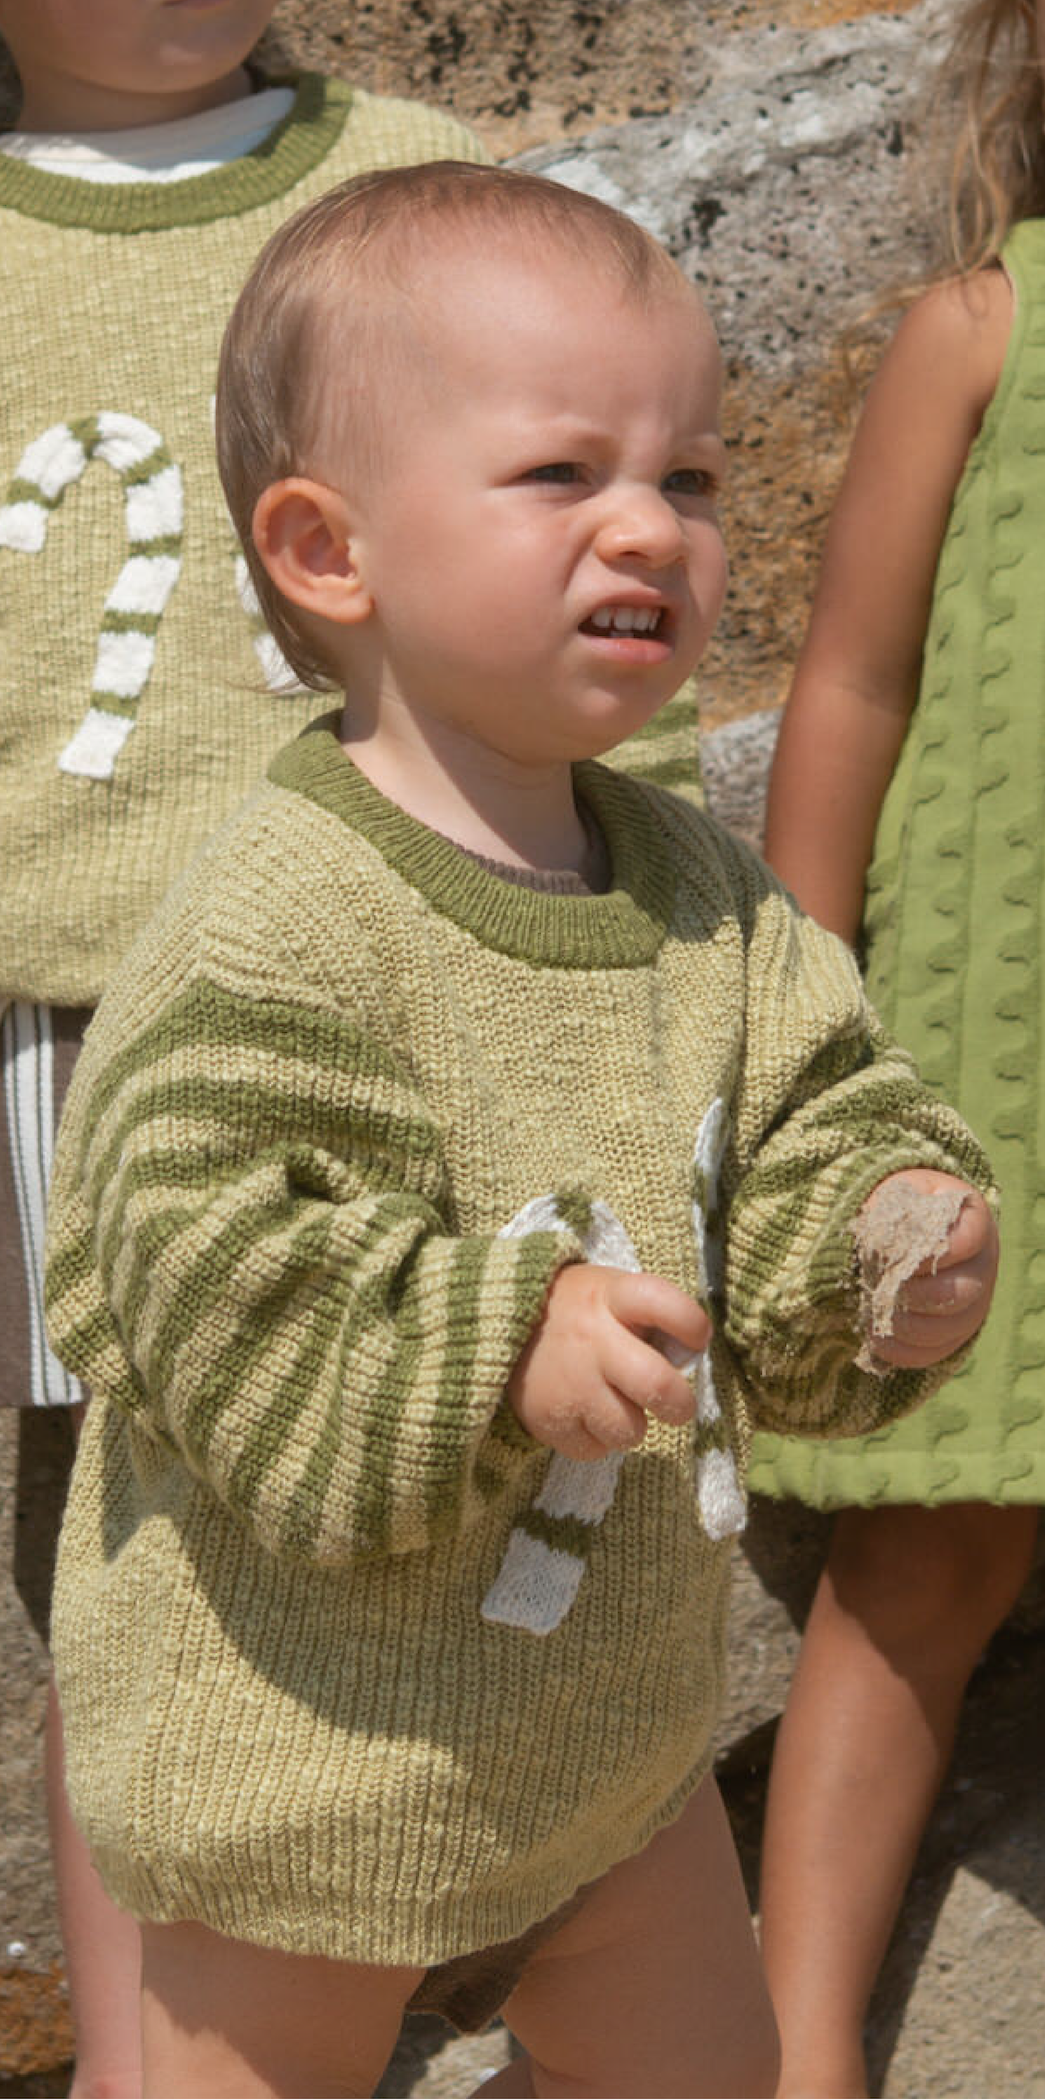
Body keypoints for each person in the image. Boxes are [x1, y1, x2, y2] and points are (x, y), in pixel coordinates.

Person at [42, 160, 1000, 2100]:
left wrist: (874, 1241)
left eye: (694, 479)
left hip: (608, 1762)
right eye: (563, 476)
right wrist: (504, 1341)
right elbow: (202, 1269)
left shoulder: (702, 892)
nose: (650, 523)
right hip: (309, 1782)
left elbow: (807, 1120)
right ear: (330, 552)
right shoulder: (277, 916)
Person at [0, 3, 514, 2089]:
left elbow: (562, 527)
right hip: (93, 1021)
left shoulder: (420, 177)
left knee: (467, 1478)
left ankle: (409, 1988)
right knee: (138, 1556)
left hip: (427, 963)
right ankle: (143, 2057)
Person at [747, 2, 1045, 2089]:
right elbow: (847, 687)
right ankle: (786, 2047)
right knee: (927, 1545)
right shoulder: (984, 329)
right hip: (992, 1059)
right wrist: (791, 1026)